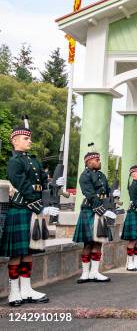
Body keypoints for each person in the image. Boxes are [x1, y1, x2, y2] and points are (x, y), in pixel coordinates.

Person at [1, 116, 60, 306]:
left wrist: (51, 186)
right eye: (25, 138)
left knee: (28, 251)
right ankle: (14, 292)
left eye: (29, 138)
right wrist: (38, 205)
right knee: (17, 253)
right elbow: (23, 185)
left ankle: (26, 289)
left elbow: (41, 181)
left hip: (32, 210)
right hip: (21, 209)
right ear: (15, 140)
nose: (29, 141)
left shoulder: (33, 161)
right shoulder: (15, 162)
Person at [73, 142, 120, 284]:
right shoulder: (84, 176)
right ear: (88, 162)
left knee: (98, 242)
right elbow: (90, 195)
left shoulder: (102, 175)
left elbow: (105, 193)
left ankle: (95, 272)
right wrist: (102, 210)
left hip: (100, 210)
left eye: (99, 159)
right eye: (96, 159)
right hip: (89, 210)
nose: (99, 161)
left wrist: (114, 195)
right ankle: (85, 273)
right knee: (88, 243)